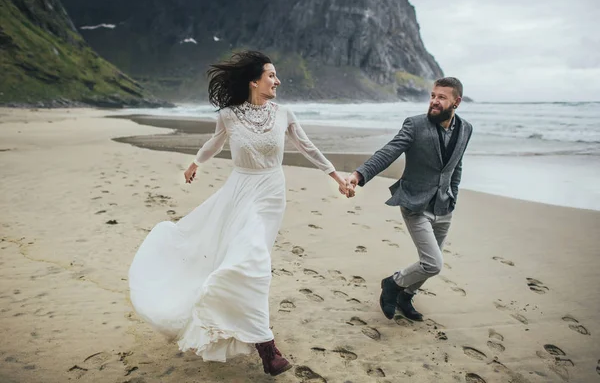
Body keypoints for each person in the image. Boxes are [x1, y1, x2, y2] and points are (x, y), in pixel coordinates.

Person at [128, 50, 347, 376]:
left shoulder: (284, 113)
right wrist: (195, 164)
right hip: (239, 193)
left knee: (252, 259)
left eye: (276, 76)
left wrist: (336, 177)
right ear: (253, 80)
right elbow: (214, 144)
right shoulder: (229, 116)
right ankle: (266, 347)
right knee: (252, 261)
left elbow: (308, 147)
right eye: (271, 75)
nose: (278, 80)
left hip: (271, 194)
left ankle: (252, 332)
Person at [344, 77, 473, 322]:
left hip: (444, 205)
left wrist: (453, 193)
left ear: (457, 102)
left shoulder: (466, 129)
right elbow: (389, 151)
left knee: (429, 261)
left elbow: (456, 165)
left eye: (441, 97)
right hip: (415, 203)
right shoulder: (415, 125)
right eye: (433, 95)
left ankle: (407, 295)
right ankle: (392, 284)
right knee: (433, 264)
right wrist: (359, 175)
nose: (434, 101)